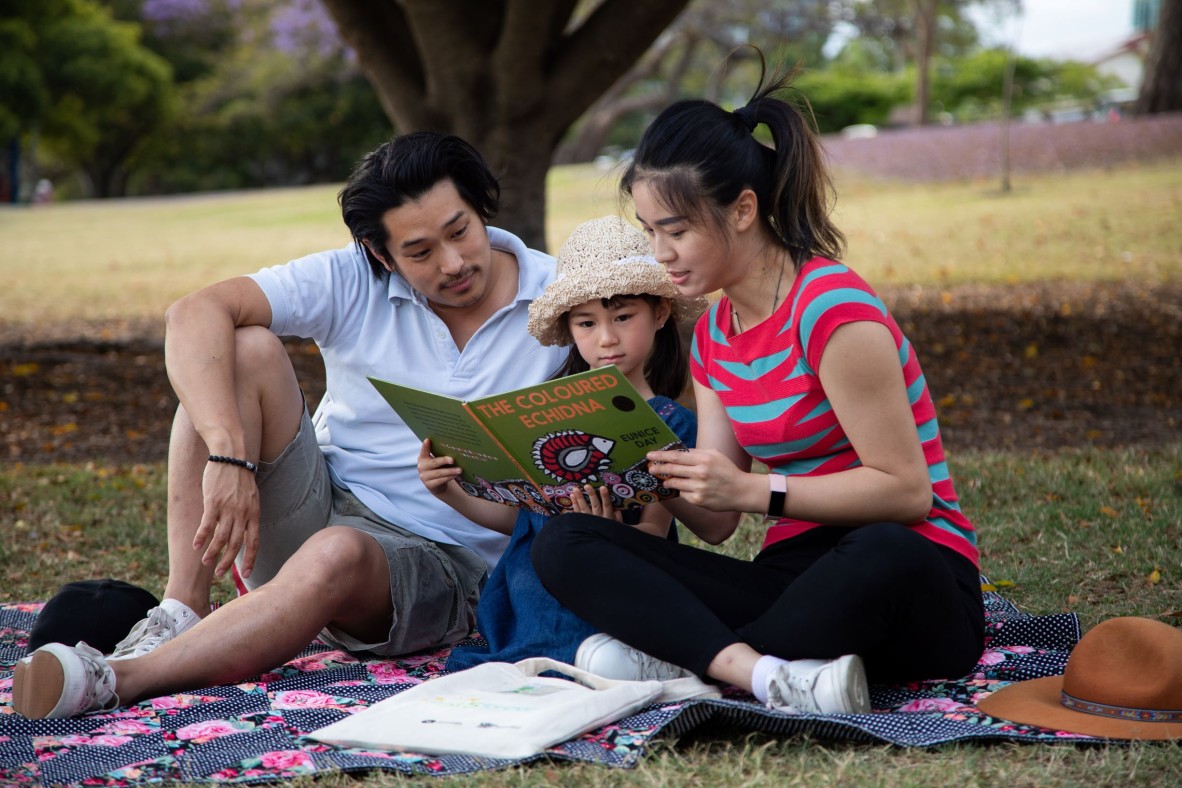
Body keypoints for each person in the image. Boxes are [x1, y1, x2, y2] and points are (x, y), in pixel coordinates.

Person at [12, 132, 567, 719]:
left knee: (336, 553)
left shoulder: (560, 297)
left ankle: (118, 679)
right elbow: (192, 313)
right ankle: (182, 610)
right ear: (382, 256)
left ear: (481, 209)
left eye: (459, 232)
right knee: (240, 350)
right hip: (319, 502)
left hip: (449, 563)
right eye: (421, 251)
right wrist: (228, 454)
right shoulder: (355, 278)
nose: (453, 263)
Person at [531, 59, 985, 715]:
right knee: (566, 544)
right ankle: (764, 673)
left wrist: (754, 490)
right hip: (794, 580)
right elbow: (716, 522)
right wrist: (639, 459)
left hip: (913, 581)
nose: (661, 253)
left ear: (743, 209)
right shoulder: (716, 329)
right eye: (652, 231)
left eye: (677, 230)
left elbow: (906, 492)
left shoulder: (831, 309)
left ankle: (690, 662)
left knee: (885, 552)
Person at [417, 215, 706, 671]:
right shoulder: (547, 410)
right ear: (570, 330)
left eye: (624, 317)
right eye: (586, 323)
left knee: (583, 658)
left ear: (660, 313)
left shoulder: (670, 424)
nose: (606, 338)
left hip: (604, 591)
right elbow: (520, 519)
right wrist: (448, 490)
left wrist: (607, 531)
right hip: (527, 593)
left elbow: (656, 534)